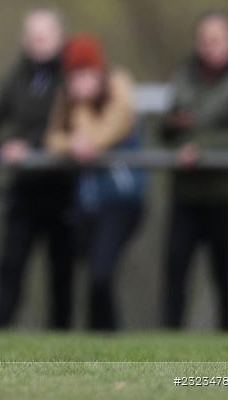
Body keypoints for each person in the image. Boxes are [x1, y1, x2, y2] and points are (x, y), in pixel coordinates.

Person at [0, 8, 76, 329]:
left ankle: (62, 336)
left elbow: (64, 125)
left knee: (61, 267)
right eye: (32, 34)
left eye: (45, 34)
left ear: (59, 38)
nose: (37, 41)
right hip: (24, 186)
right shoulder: (19, 75)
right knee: (10, 263)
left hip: (63, 185)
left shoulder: (71, 76)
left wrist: (29, 145)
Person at [44, 34, 144, 330]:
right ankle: (98, 338)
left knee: (101, 272)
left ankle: (106, 335)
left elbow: (104, 134)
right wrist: (70, 141)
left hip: (121, 200)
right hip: (88, 203)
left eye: (86, 74)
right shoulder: (69, 102)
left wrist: (79, 130)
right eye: (74, 76)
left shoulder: (119, 93)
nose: (80, 83)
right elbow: (52, 139)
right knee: (92, 274)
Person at [160, 11, 228, 330]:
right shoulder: (185, 74)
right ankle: (168, 338)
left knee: (225, 274)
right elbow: (166, 127)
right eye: (205, 40)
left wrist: (201, 144)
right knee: (175, 269)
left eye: (217, 39)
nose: (210, 46)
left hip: (226, 194)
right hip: (186, 191)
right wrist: (176, 131)